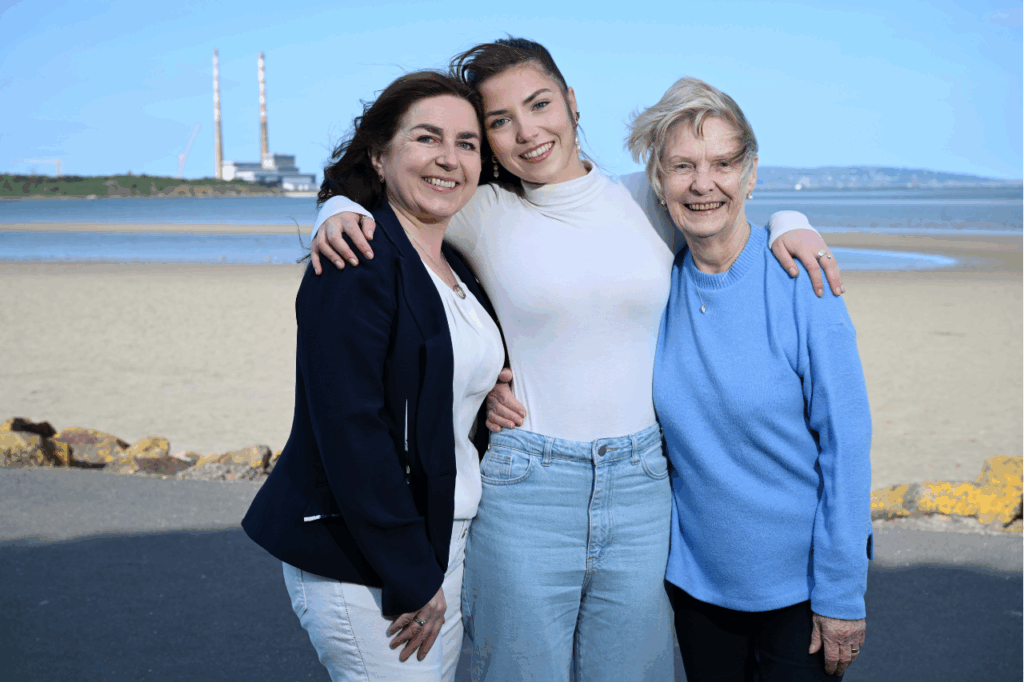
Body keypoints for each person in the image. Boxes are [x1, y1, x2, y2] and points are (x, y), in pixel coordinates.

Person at [308, 39, 846, 682]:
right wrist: (336, 207)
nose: (527, 132)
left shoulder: (646, 201)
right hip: (526, 487)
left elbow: (721, 209)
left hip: (646, 489)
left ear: (571, 101)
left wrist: (791, 217)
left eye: (539, 104)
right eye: (499, 121)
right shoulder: (482, 210)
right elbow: (393, 191)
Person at [241, 70, 505, 682]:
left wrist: (492, 388)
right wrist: (410, 575)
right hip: (365, 558)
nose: (449, 158)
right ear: (380, 157)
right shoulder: (356, 258)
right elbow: (351, 430)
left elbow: (433, 371)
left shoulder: (454, 261)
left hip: (444, 540)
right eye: (427, 138)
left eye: (467, 143)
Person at [627, 76, 871, 680]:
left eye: (723, 163)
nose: (703, 183)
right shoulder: (653, 285)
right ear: (658, 182)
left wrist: (842, 594)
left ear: (752, 174)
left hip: (800, 592)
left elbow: (847, 444)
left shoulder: (803, 282)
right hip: (694, 584)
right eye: (682, 165)